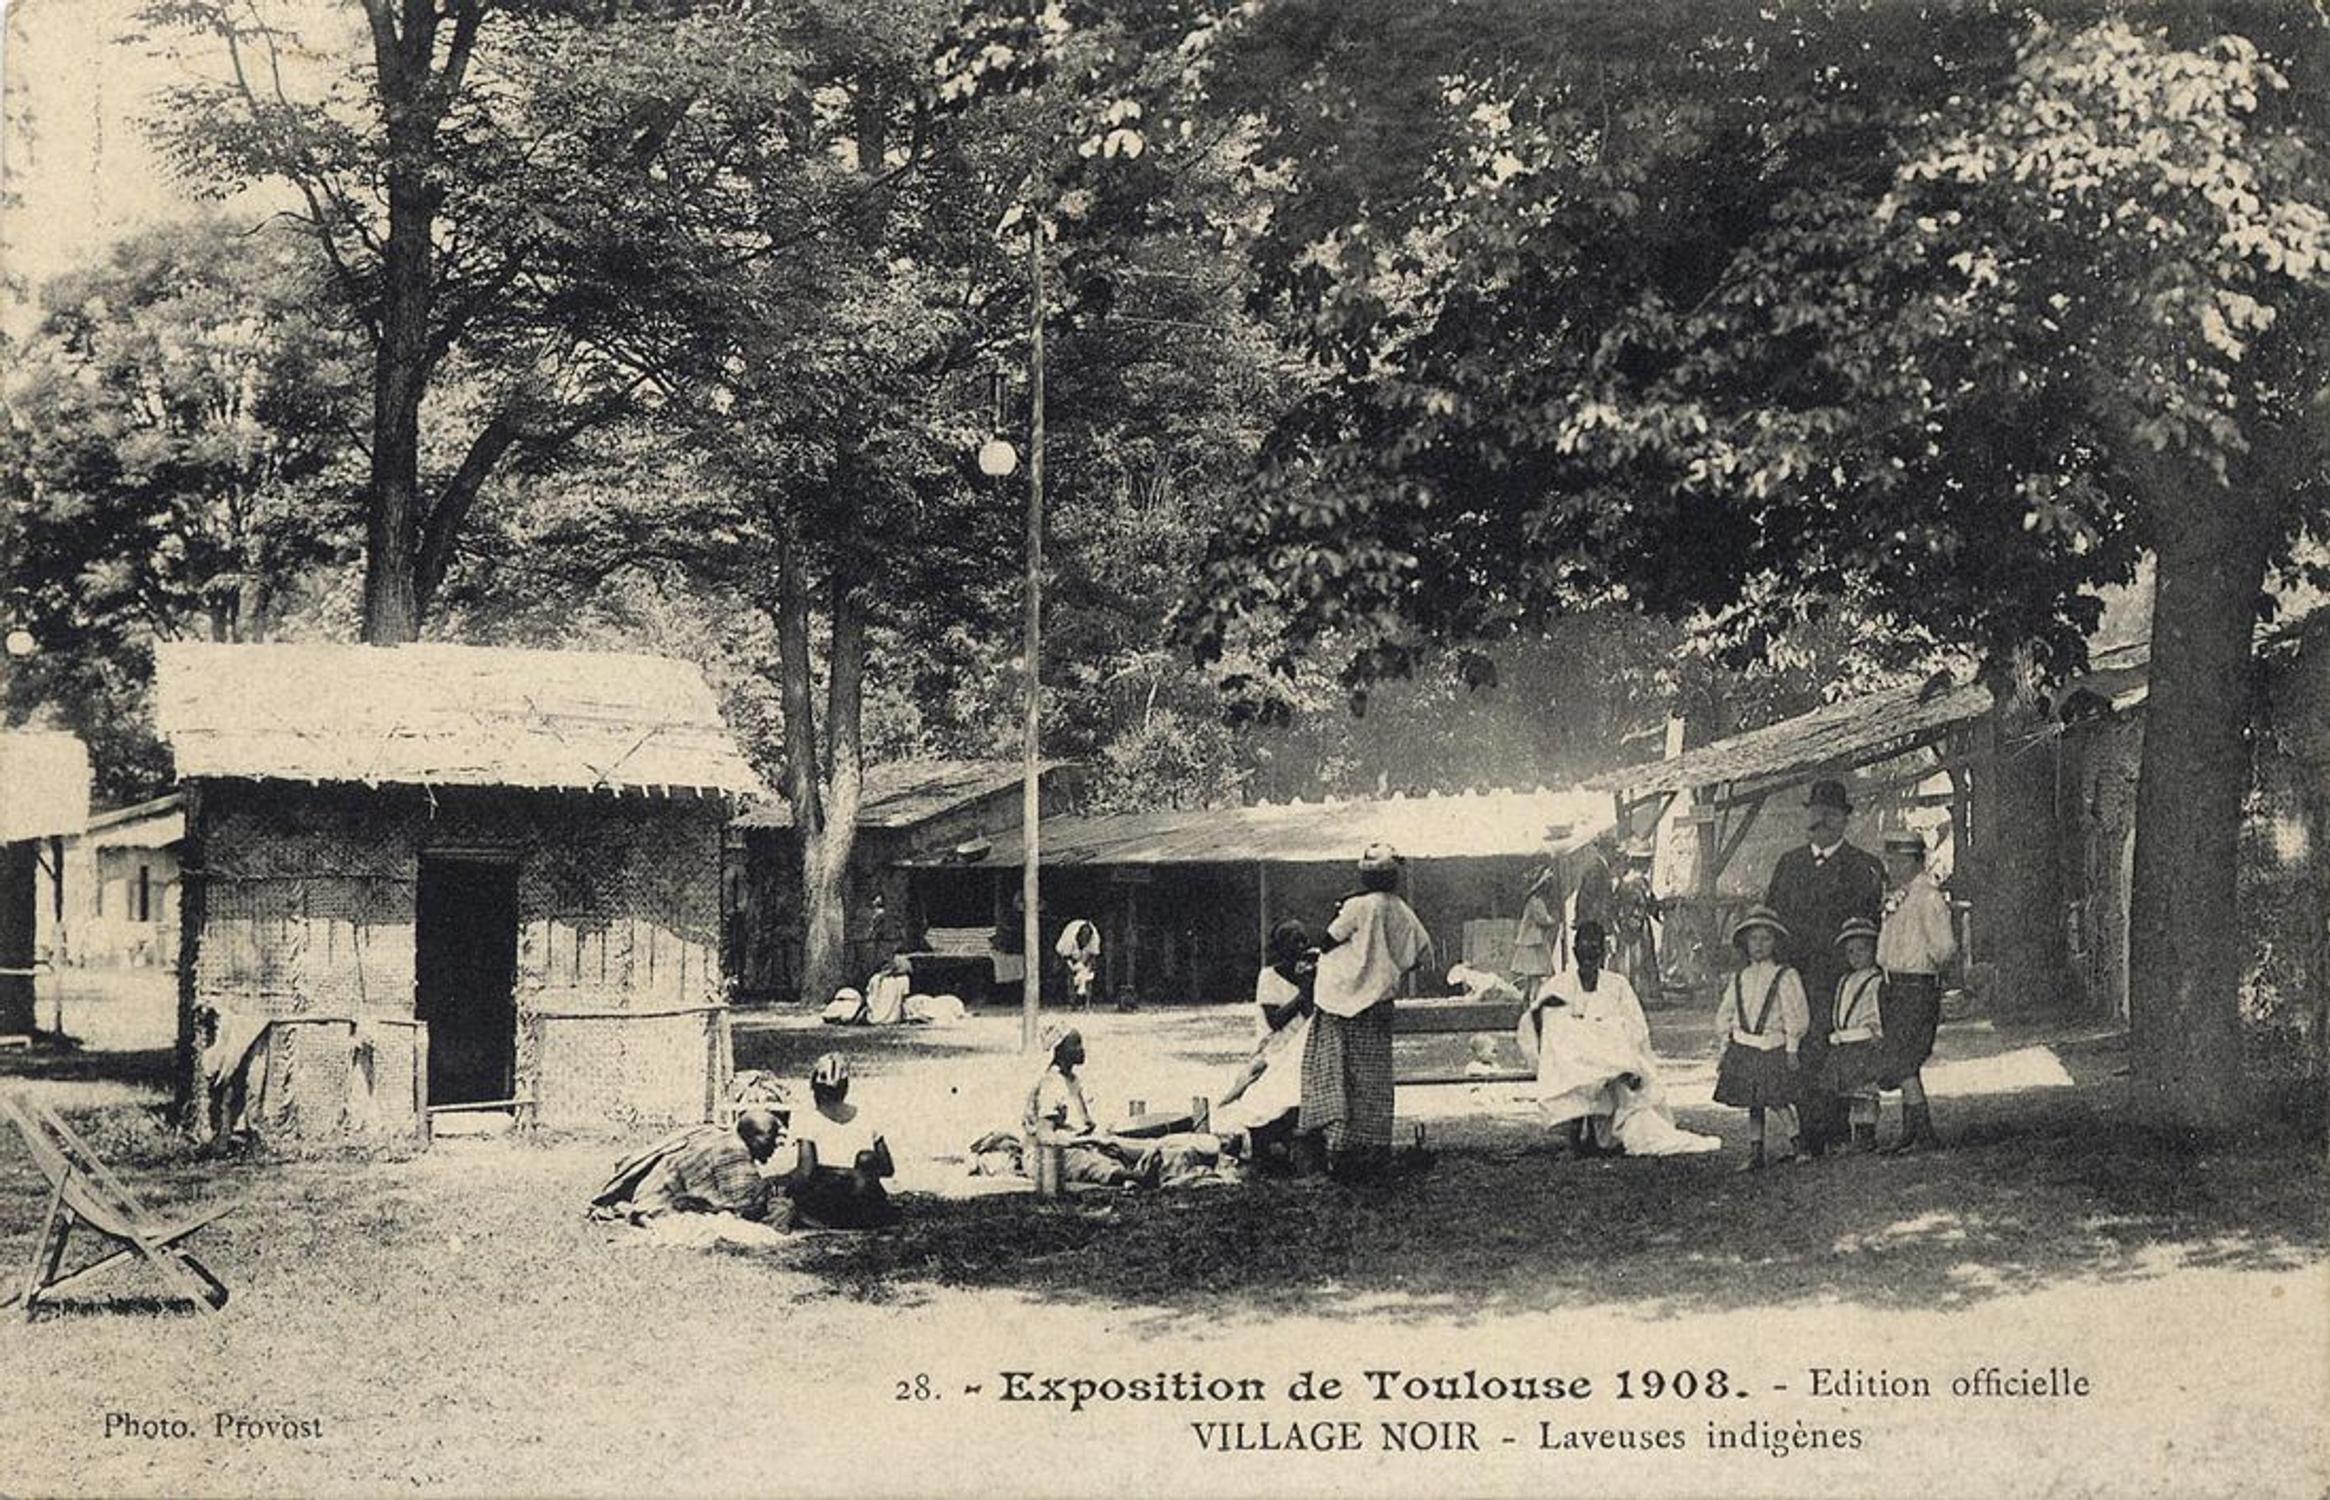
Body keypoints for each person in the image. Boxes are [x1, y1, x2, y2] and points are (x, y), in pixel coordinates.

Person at [1519, 921, 1718, 1158]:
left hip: (1611, 1059)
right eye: (1584, 951)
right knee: (1570, 1040)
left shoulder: (1617, 985)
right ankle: (1575, 1136)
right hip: (1573, 1061)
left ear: (1603, 954)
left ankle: (1600, 1132)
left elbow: (1636, 1026)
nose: (1589, 958)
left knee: (1611, 1035)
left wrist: (1606, 1037)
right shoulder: (1559, 985)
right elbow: (1539, 1021)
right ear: (1574, 952)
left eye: (1595, 951)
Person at [1762, 778, 1885, 1156]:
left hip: (1842, 980)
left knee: (1840, 1050)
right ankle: (1810, 1137)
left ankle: (1838, 1131)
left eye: (1831, 813)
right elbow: (1772, 921)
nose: (1822, 819)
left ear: (1845, 819)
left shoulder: (1863, 867)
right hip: (1796, 977)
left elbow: (1870, 927)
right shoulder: (1789, 865)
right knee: (1799, 1049)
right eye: (1816, 812)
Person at [1300, 842, 1433, 1180]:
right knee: (1373, 1080)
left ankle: (1342, 1150)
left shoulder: (1357, 906)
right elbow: (1421, 950)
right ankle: (1374, 1150)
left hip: (1341, 1001)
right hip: (1377, 1004)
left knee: (1340, 1074)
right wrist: (1388, 964)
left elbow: (1329, 939)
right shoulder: (1398, 908)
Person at [1712, 906, 1809, 1173]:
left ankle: (1798, 1145)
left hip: (1772, 1046)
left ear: (1776, 942)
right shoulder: (1740, 977)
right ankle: (1756, 1151)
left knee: (1777, 1100)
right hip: (1744, 1047)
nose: (1759, 945)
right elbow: (1726, 1012)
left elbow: (1795, 1013)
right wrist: (1725, 1045)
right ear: (1745, 943)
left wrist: (1792, 1047)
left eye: (1766, 939)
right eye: (1754, 939)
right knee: (1752, 1102)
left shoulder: (1785, 975)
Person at [1877, 831, 1957, 1153]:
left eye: (1897, 862)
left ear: (1914, 861)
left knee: (1905, 1058)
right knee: (1901, 1057)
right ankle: (1912, 1131)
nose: (1892, 868)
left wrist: (1925, 966)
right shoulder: (1903, 896)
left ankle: (1922, 1131)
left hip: (1916, 986)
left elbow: (1945, 947)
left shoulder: (1928, 897)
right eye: (1890, 861)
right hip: (1895, 984)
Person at [1213, 920, 1315, 1158]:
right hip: (1277, 1048)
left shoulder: (1311, 975)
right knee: (1269, 1088)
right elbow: (1275, 1021)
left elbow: (1314, 1017)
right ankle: (1266, 1139)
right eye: (1294, 940)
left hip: (1304, 1047)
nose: (1301, 945)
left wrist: (1309, 983)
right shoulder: (1269, 976)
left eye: (1304, 939)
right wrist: (1303, 993)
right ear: (1280, 947)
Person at [590, 1107, 788, 1225]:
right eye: (770, 1137)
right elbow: (745, 1204)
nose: (775, 1145)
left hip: (649, 1192)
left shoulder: (719, 1136)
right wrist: (778, 1190)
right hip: (660, 1202)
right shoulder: (733, 1150)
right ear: (752, 1136)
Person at [1023, 1026, 1161, 1188]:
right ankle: (1138, 1177)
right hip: (1045, 1156)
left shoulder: (1072, 1080)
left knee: (1118, 1147)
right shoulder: (1052, 1084)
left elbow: (1082, 1126)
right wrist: (1087, 1141)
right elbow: (1045, 1136)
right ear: (1060, 1051)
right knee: (1085, 1161)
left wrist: (1096, 1140)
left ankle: (1148, 1165)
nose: (1082, 1050)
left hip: (1076, 1143)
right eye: (1076, 1045)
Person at [783, 1052, 899, 1229]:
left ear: (813, 1086)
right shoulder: (867, 1115)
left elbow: (805, 1171)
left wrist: (782, 1185)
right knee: (866, 1159)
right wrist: (858, 1171)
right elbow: (887, 1168)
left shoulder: (806, 1119)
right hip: (865, 1202)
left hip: (830, 1203)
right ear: (846, 1088)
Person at [1818, 917, 1889, 1152]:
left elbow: (1878, 1013)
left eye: (1862, 950)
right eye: (1850, 952)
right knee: (1845, 1090)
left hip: (1865, 1040)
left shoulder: (1877, 980)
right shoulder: (1845, 980)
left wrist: (1874, 1033)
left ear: (1874, 950)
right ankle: (1848, 1135)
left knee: (1865, 1091)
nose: (1856, 956)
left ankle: (1866, 1135)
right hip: (1845, 1041)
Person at [1610, 838, 1663, 1001]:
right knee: (1635, 960)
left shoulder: (1634, 882)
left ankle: (1640, 992)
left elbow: (1651, 904)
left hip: (1635, 923)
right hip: (1633, 925)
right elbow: (1638, 906)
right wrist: (1638, 918)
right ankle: (1637, 994)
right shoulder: (1633, 883)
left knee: (1638, 958)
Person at [1510, 859, 1564, 998]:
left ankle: (1527, 1000)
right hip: (1534, 942)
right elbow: (1543, 919)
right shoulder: (1536, 902)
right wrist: (1554, 920)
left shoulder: (1532, 901)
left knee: (1530, 977)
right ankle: (1534, 1002)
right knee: (1536, 976)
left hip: (1530, 941)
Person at [1055, 918, 1102, 1009]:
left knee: (1089, 975)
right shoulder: (1069, 938)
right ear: (1079, 936)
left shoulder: (1094, 938)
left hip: (1085, 955)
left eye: (1086, 940)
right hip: (1068, 952)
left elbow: (1093, 958)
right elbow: (1066, 957)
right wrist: (1073, 968)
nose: (1084, 942)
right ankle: (1071, 1001)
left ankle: (1087, 1002)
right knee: (1070, 976)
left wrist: (1087, 969)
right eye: (1082, 939)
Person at [864, 955, 912, 1026]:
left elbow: (868, 993)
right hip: (893, 1017)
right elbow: (904, 999)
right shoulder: (903, 980)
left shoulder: (875, 978)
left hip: (875, 1015)